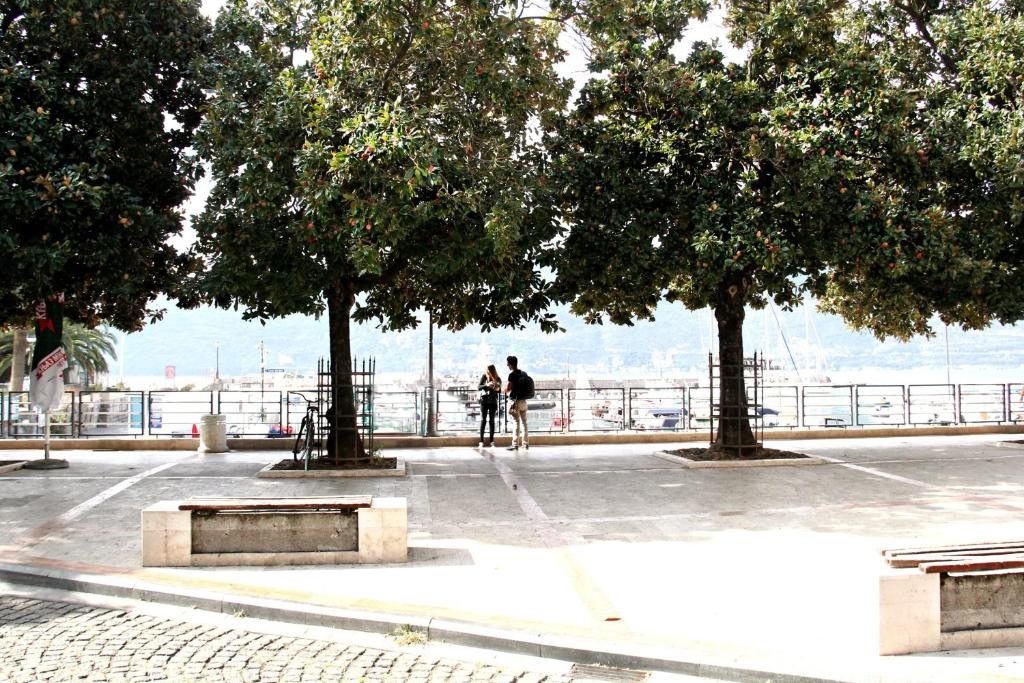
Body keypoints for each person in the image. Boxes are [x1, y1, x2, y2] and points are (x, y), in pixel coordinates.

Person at [504, 355, 528, 450]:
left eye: (508, 363)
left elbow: (509, 388)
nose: (507, 365)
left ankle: (515, 444)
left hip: (515, 401)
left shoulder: (512, 375)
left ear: (510, 364)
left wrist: (502, 390)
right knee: (524, 423)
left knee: (516, 422)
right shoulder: (524, 373)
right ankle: (525, 444)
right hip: (524, 401)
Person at [477, 364, 501, 447]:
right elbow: (479, 387)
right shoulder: (484, 376)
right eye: (487, 370)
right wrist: (486, 385)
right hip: (484, 401)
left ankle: (491, 441)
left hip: (493, 402)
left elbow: (499, 390)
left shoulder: (498, 379)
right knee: (483, 420)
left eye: (489, 370)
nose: (487, 372)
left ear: (492, 371)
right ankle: (481, 441)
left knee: (491, 421)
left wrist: (495, 385)